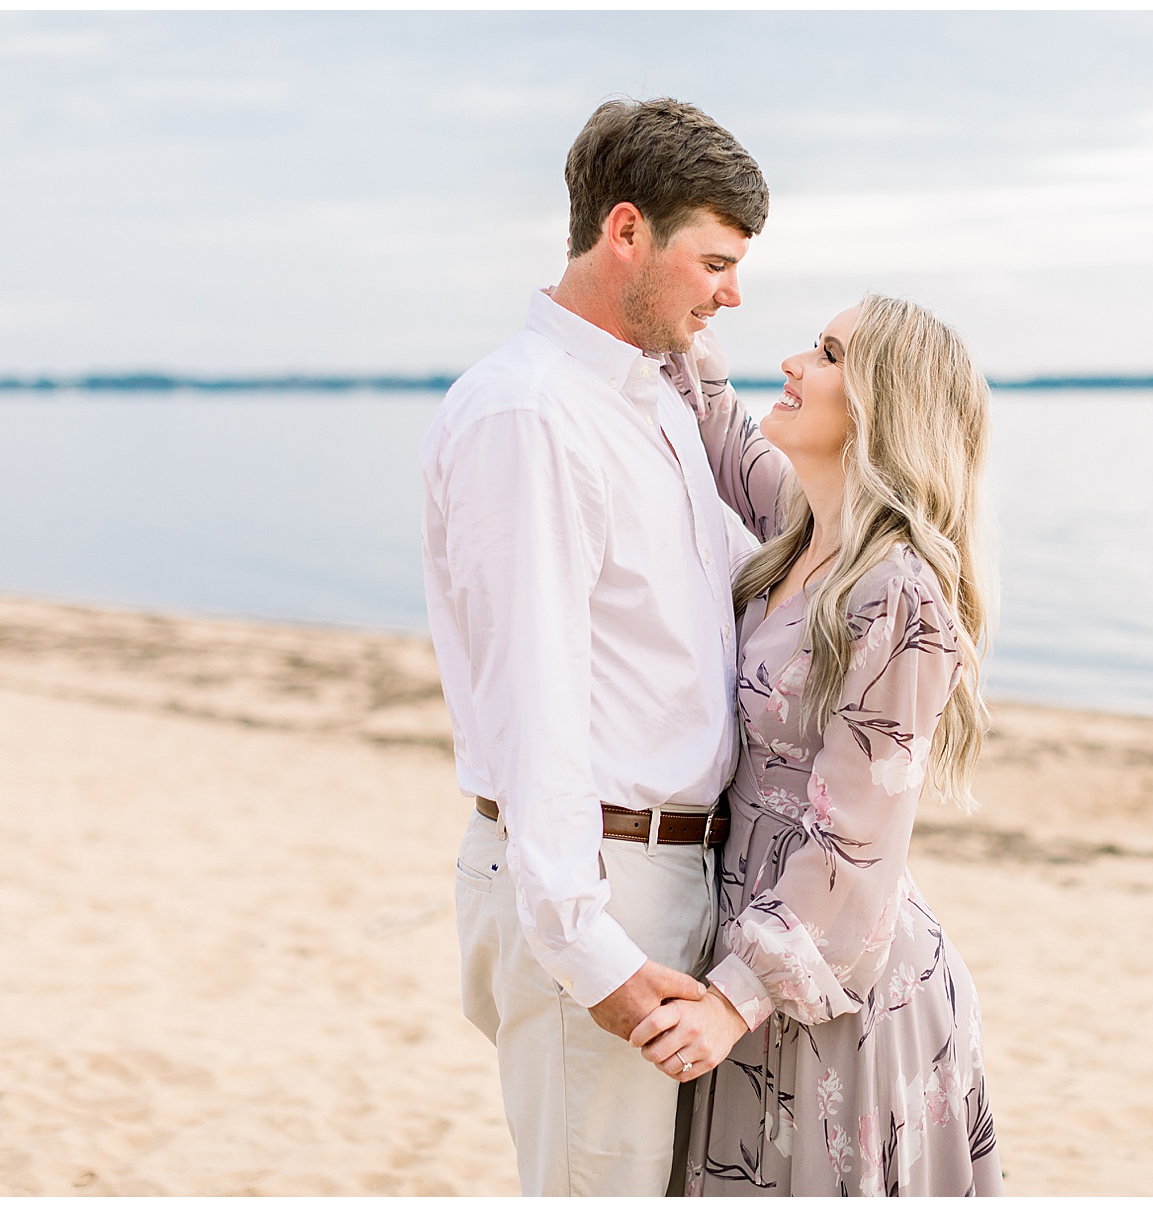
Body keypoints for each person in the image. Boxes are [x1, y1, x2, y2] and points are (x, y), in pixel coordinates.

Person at [418, 97, 768, 1195]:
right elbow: (535, 701)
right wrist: (591, 950)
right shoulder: (530, 415)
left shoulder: (651, 399)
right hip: (605, 885)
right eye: (715, 262)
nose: (732, 295)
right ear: (626, 232)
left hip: (674, 871)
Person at [629, 297, 1006, 1195]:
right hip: (748, 950)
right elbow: (725, 435)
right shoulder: (803, 529)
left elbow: (856, 842)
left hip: (826, 985)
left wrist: (734, 998)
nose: (795, 362)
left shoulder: (900, 593)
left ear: (885, 404)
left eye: (830, 353)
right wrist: (676, 312)